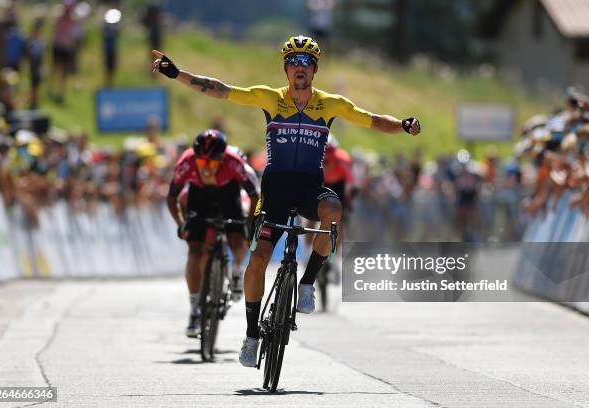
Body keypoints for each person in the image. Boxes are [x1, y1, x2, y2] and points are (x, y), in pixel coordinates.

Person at [151, 35, 421, 366]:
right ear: (285, 68)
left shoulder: (331, 103)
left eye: (307, 62)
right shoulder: (270, 98)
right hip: (276, 189)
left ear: (315, 69)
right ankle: (251, 336)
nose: (300, 67)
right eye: (294, 61)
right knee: (259, 257)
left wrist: (404, 126)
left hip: (310, 187)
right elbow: (220, 89)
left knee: (333, 211)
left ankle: (307, 283)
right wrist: (178, 74)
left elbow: (374, 120)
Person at [166, 129, 259, 338]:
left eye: (212, 163)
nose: (206, 168)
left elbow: (255, 195)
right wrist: (181, 224)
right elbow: (171, 197)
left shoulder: (234, 163)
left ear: (222, 159)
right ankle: (194, 309)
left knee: (237, 236)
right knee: (195, 249)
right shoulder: (187, 162)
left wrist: (249, 223)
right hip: (199, 195)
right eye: (201, 163)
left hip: (229, 192)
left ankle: (236, 271)